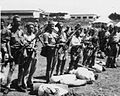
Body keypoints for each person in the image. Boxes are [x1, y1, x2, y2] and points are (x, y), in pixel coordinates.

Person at [6, 15, 26, 92]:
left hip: (20, 51)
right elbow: (8, 44)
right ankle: (8, 86)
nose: (19, 23)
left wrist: (24, 43)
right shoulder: (9, 31)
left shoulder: (21, 31)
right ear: (13, 22)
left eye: (20, 21)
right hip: (13, 51)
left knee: (21, 69)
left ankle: (19, 85)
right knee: (12, 68)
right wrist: (9, 54)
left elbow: (23, 40)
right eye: (17, 21)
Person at [22, 22, 37, 90]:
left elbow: (35, 44)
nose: (31, 29)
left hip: (33, 53)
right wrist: (28, 45)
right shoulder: (25, 36)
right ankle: (24, 82)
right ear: (27, 28)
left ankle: (30, 81)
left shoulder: (34, 36)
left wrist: (35, 48)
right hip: (27, 52)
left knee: (33, 68)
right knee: (26, 69)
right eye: (30, 28)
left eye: (32, 28)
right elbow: (24, 44)